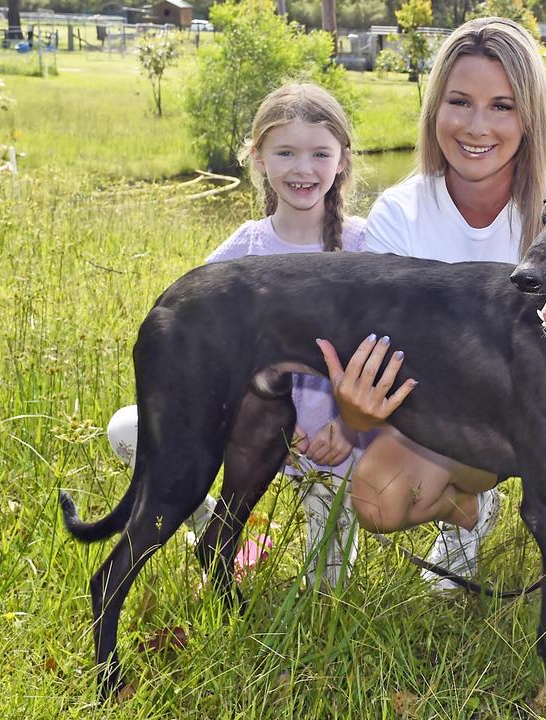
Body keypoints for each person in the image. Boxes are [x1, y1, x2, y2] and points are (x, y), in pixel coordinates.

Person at [314, 17, 546, 671]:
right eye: (459, 102)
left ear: (530, 116)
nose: (477, 127)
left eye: (502, 106)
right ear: (434, 106)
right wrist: (354, 411)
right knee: (377, 498)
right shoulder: (400, 214)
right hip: (462, 420)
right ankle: (469, 511)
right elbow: (380, 366)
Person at [105, 82, 366, 587]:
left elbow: (384, 353)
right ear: (258, 158)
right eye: (285, 152)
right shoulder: (241, 252)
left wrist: (349, 427)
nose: (303, 169)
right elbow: (194, 353)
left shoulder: (364, 245)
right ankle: (216, 525)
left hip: (334, 449)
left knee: (327, 588)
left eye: (319, 153)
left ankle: (295, 529)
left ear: (342, 160)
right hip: (249, 436)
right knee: (127, 429)